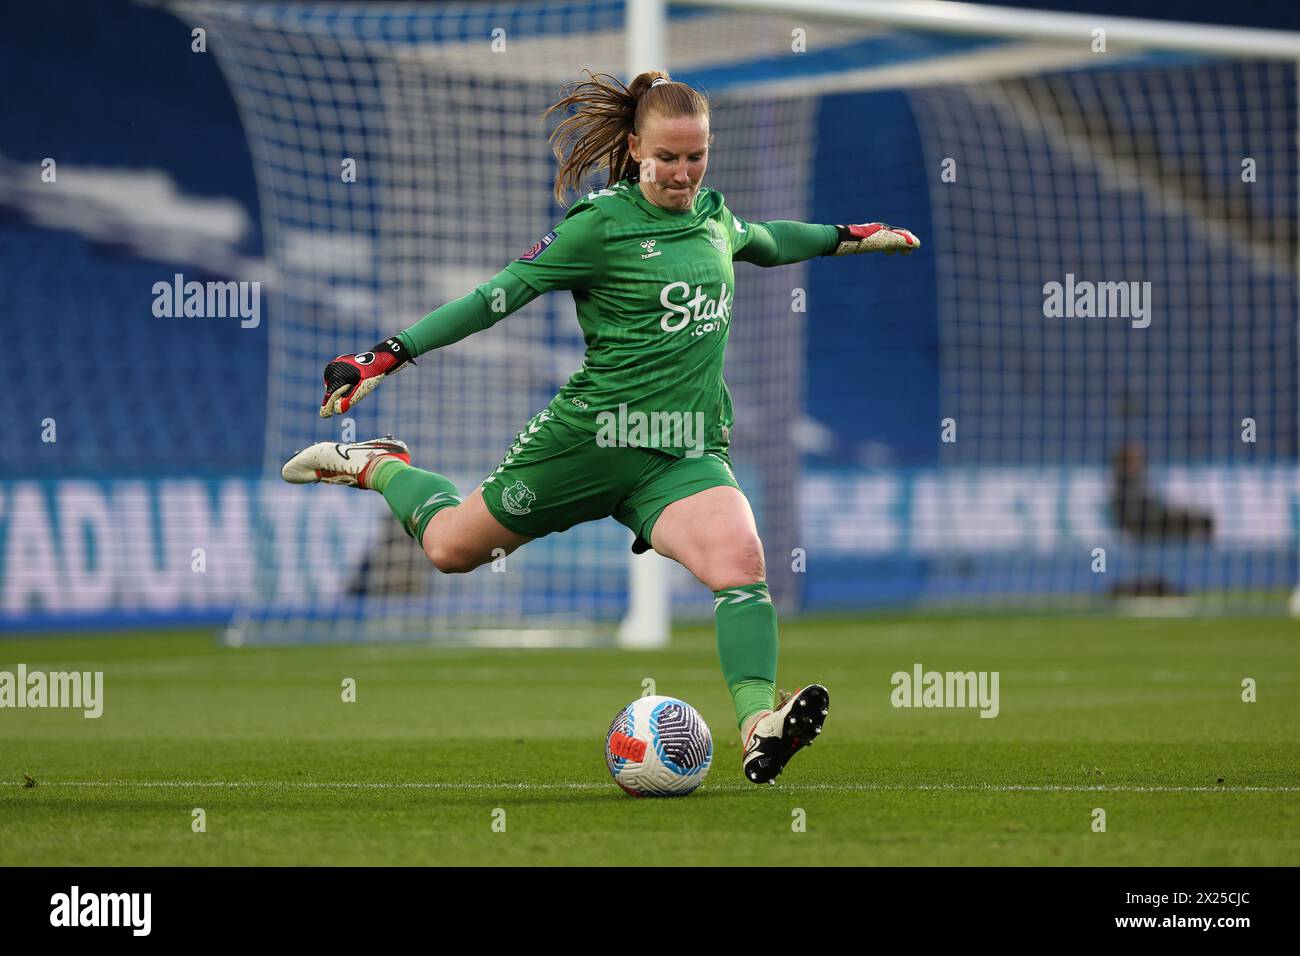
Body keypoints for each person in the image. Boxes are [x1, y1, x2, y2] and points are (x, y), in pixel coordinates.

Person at [282, 70, 920, 784]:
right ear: (634, 147)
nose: (683, 173)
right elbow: (496, 297)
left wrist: (850, 237)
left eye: (696, 156)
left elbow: (769, 240)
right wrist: (386, 355)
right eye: (668, 157)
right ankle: (378, 464)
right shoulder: (600, 225)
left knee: (742, 567)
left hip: (682, 451)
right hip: (591, 440)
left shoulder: (713, 217)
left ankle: (758, 727)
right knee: (450, 549)